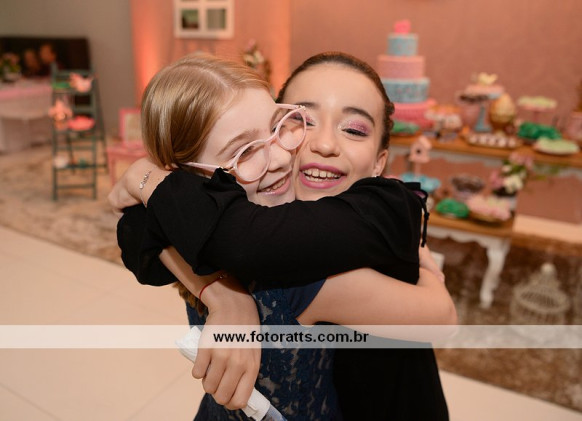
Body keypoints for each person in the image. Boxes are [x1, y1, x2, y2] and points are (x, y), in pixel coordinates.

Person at [110, 52, 455, 420]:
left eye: (354, 129)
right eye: (303, 120)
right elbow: (159, 225)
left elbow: (163, 219)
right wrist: (224, 294)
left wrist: (145, 179)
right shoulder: (284, 259)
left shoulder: (379, 208)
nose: (323, 144)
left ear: (380, 161)